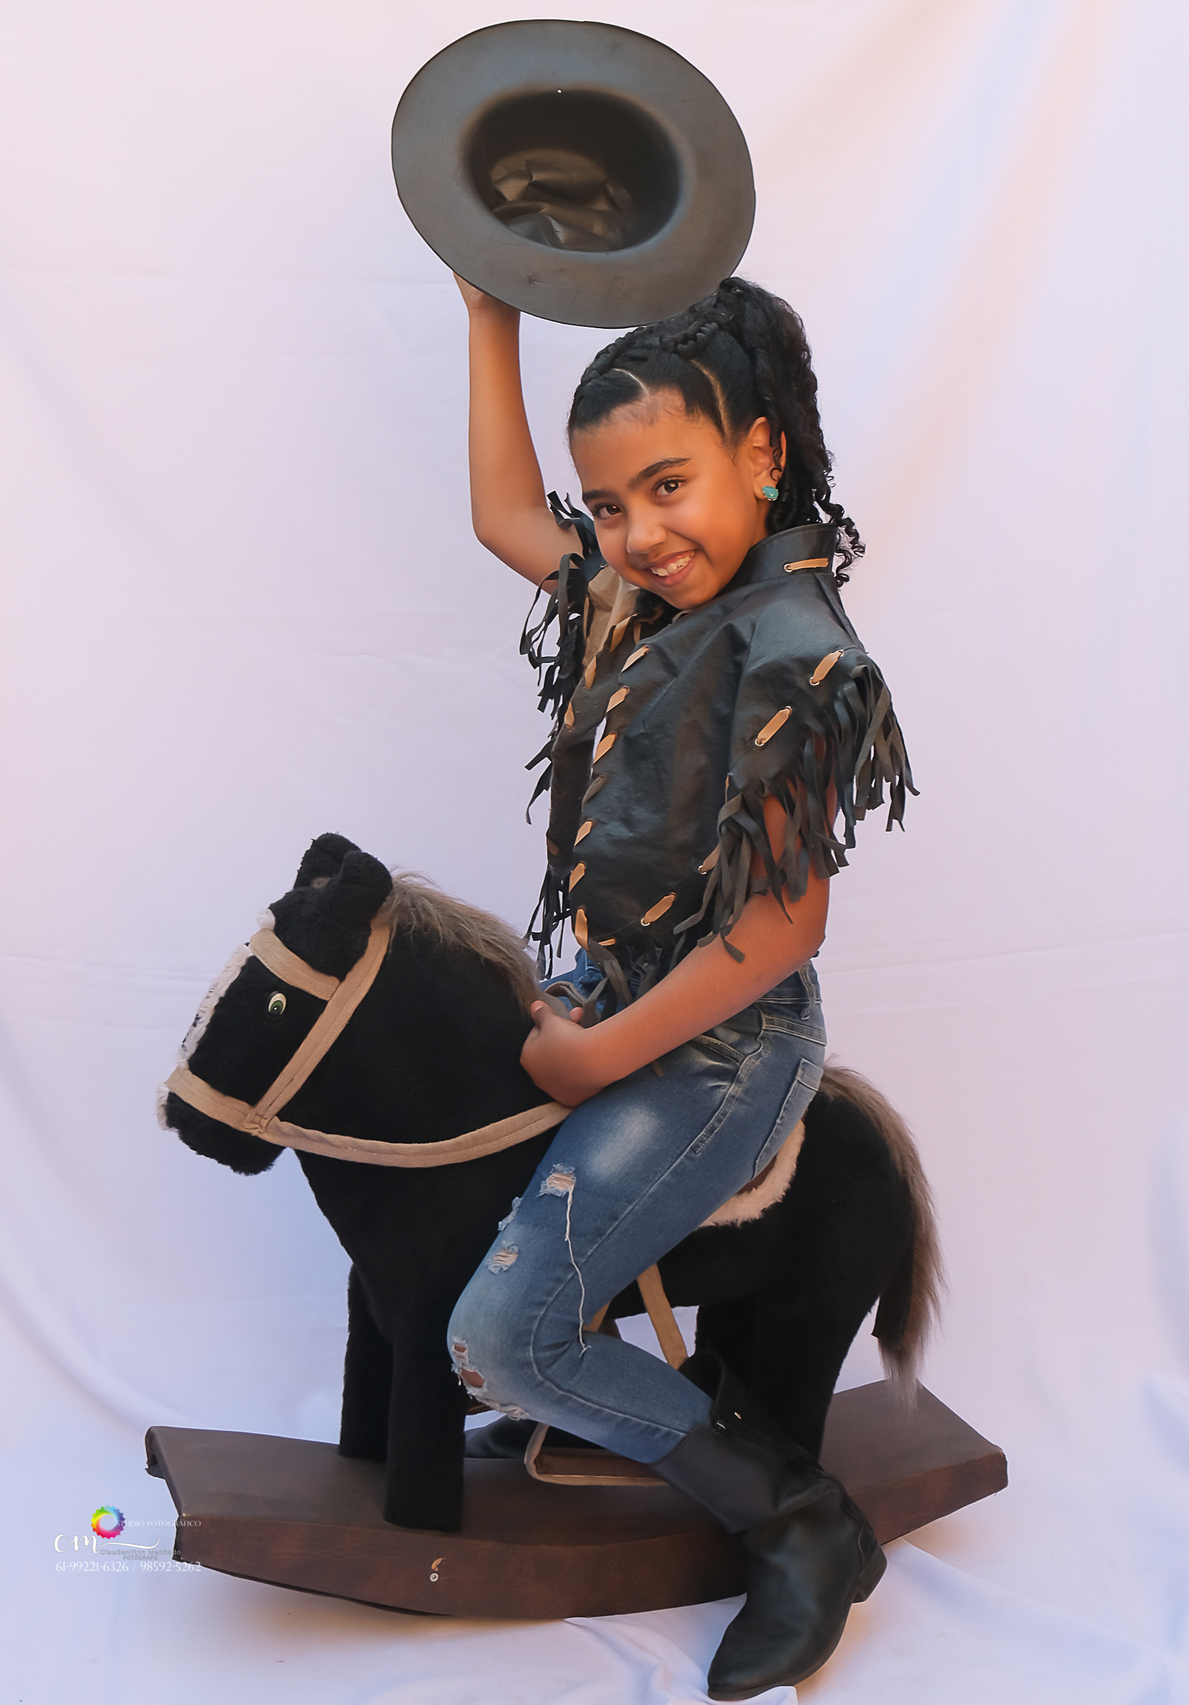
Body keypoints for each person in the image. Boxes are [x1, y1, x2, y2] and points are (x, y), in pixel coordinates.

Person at [446, 274, 912, 1700]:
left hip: (723, 1044)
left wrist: (595, 1062)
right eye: (610, 504)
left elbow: (782, 927)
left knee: (497, 1337)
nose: (638, 534)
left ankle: (798, 1519)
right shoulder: (644, 598)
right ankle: (596, 1389)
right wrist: (490, 315)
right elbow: (503, 516)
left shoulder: (796, 652)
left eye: (668, 486)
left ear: (761, 456)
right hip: (619, 985)